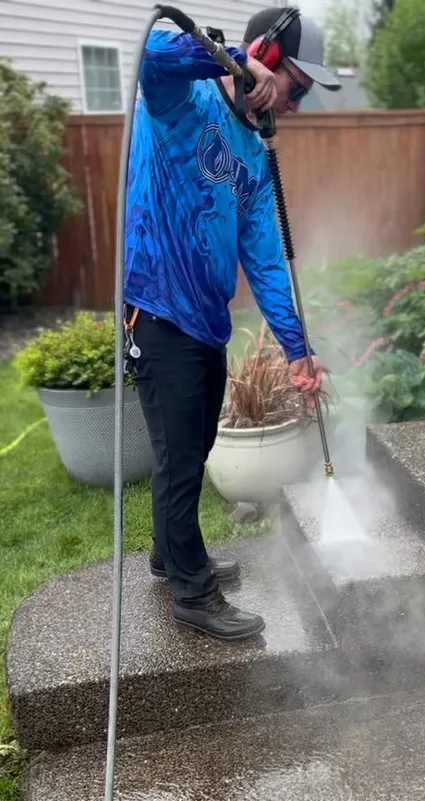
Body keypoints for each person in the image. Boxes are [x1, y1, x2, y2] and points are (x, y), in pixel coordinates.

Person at [123, 7, 341, 643]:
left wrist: (298, 348)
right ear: (267, 58)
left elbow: (267, 260)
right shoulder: (179, 99)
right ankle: (193, 594)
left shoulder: (253, 152)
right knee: (179, 459)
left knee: (188, 451)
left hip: (205, 321)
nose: (296, 104)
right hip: (157, 308)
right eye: (297, 86)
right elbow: (151, 47)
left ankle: (170, 556)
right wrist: (235, 61)